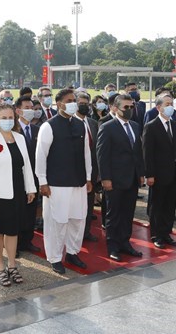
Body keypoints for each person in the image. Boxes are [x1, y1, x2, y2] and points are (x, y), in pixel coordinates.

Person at [0, 103, 36, 286]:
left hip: (17, 192)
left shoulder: (19, 138)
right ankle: (0, 267)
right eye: (3, 118)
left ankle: (12, 265)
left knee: (13, 231)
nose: (8, 121)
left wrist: (30, 188)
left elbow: (26, 165)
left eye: (10, 117)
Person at [35, 88, 92, 274]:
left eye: (74, 99)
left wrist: (89, 178)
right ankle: (55, 257)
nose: (73, 102)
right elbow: (40, 156)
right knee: (56, 222)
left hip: (79, 182)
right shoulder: (48, 126)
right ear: (59, 104)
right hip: (56, 184)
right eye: (69, 100)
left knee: (77, 219)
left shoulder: (79, 124)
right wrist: (42, 181)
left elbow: (86, 154)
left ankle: (73, 252)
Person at [96, 94, 145, 261]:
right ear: (115, 108)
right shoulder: (107, 127)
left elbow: (138, 153)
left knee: (128, 213)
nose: (130, 110)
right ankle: (113, 246)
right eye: (126, 107)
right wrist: (105, 179)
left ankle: (125, 243)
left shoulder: (136, 126)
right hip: (114, 180)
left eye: (132, 107)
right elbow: (102, 155)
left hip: (132, 179)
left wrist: (140, 174)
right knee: (113, 215)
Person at [143, 94, 176, 249]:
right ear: (158, 107)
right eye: (167, 104)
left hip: (173, 173)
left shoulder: (175, 125)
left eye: (171, 103)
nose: (170, 106)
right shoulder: (151, 126)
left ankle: (166, 233)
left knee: (170, 205)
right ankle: (156, 235)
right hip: (158, 174)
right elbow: (147, 152)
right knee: (157, 205)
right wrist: (149, 174)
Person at [15, 96, 41, 254]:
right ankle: (15, 244)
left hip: (34, 177)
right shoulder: (11, 130)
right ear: (18, 110)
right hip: (17, 177)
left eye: (32, 107)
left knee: (31, 211)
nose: (31, 110)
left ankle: (27, 240)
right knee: (18, 211)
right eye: (27, 107)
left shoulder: (37, 130)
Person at [75, 91, 100, 243]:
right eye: (81, 103)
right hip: (77, 171)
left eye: (86, 103)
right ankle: (75, 234)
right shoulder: (71, 123)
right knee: (76, 204)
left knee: (89, 203)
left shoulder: (92, 123)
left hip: (93, 170)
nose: (84, 106)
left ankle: (86, 231)